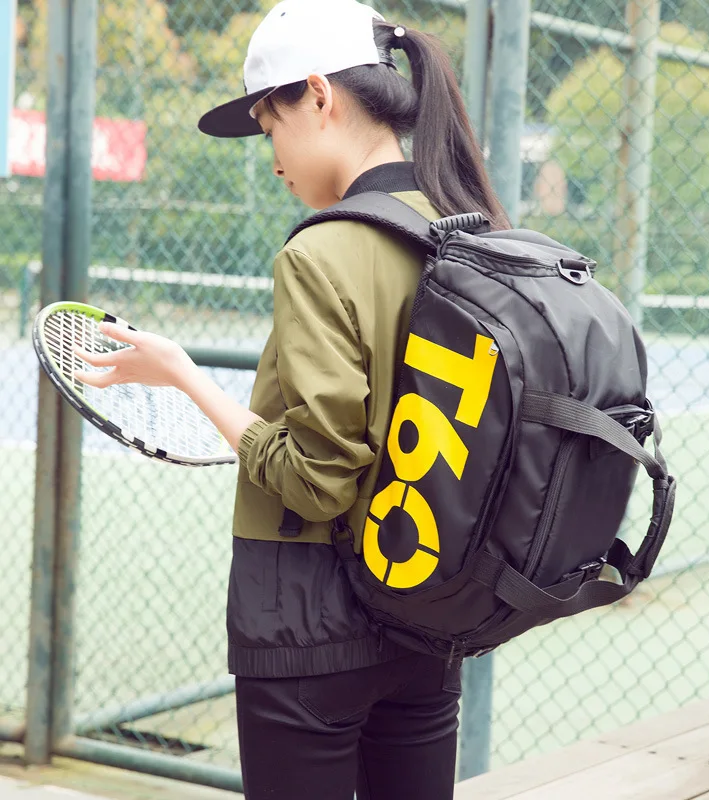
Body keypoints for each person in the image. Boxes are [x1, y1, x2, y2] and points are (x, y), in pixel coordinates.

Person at [75, 0, 509, 796]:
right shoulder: (465, 225)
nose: (271, 156)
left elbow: (317, 476)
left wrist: (187, 377)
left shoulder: (324, 251)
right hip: (427, 611)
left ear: (318, 96)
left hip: (310, 621)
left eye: (270, 126)